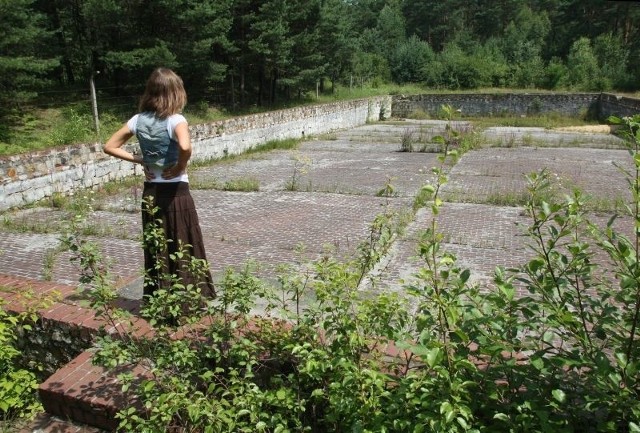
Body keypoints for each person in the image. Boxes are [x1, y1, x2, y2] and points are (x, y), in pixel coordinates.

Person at [104, 67, 215, 301]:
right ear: (176, 92)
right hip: (176, 194)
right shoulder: (176, 119)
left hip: (151, 193)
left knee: (158, 247)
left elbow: (109, 146)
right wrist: (179, 166)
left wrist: (140, 159)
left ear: (151, 92)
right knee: (183, 245)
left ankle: (160, 300)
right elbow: (185, 147)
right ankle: (189, 301)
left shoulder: (137, 120)